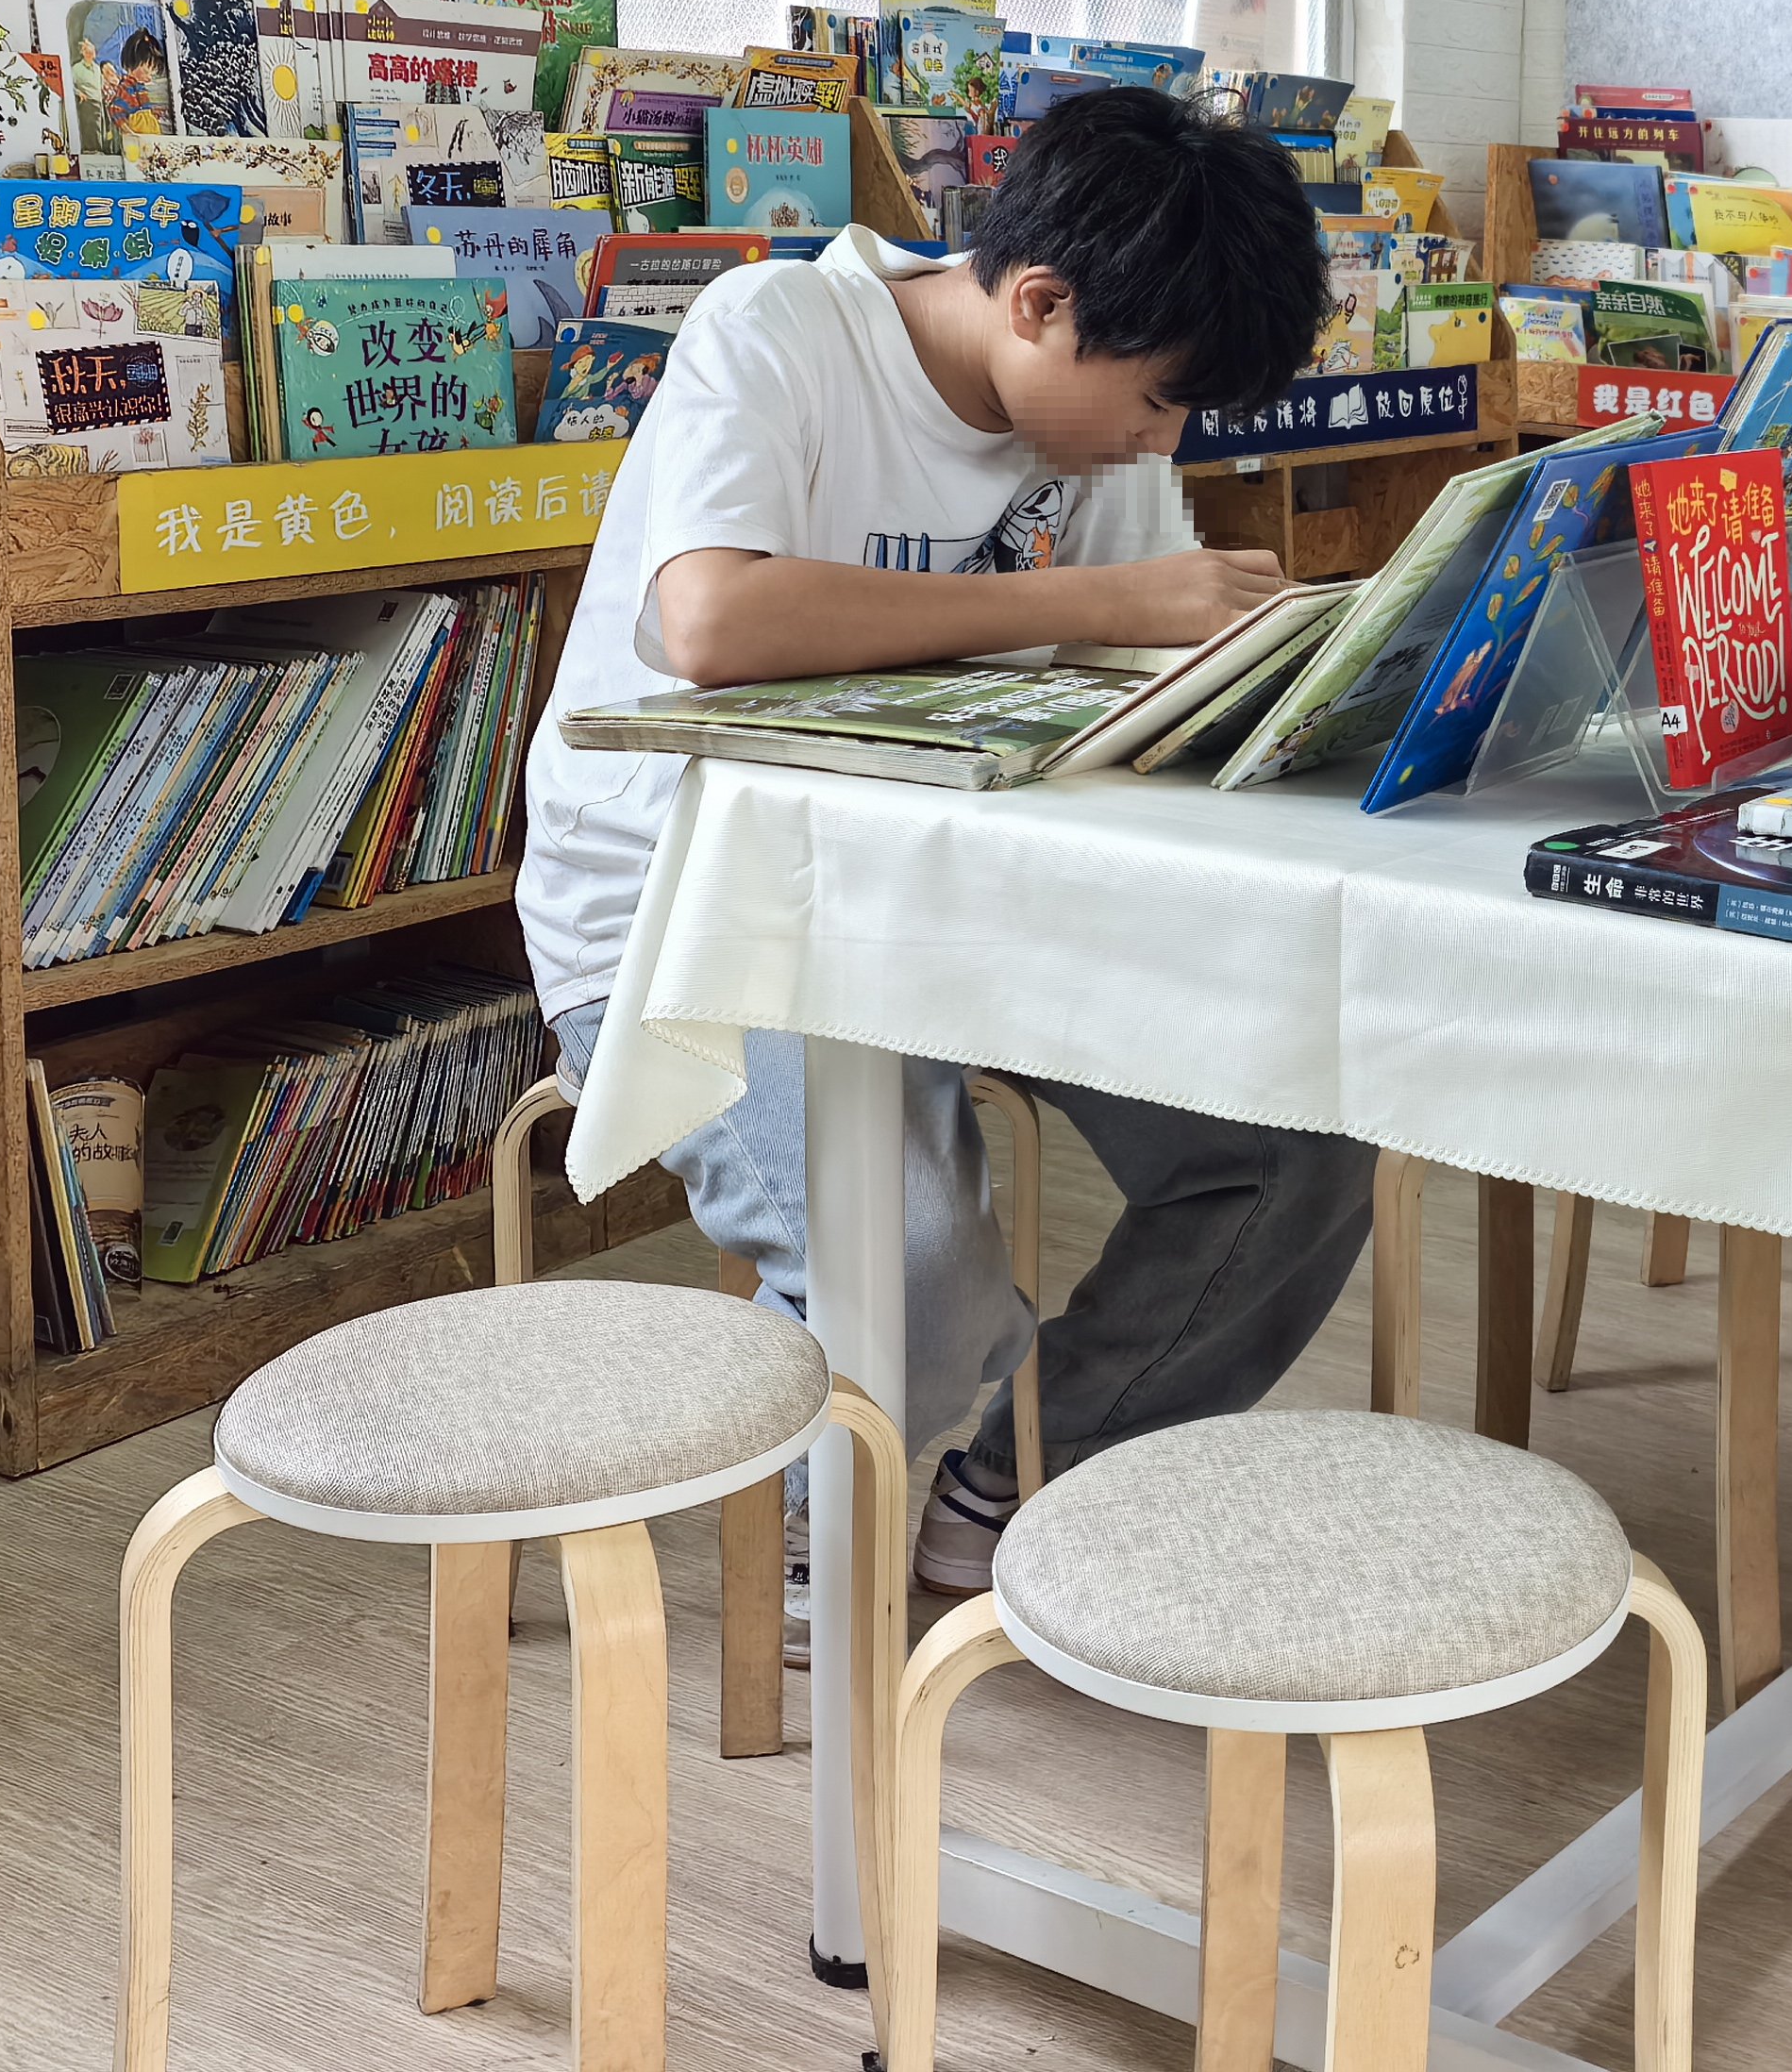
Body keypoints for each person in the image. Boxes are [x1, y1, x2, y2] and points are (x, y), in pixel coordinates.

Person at [518, 83, 1377, 1623]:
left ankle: (1016, 1490)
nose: (1161, 441)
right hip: (688, 917)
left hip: (965, 905)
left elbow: (1119, 695)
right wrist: (1096, 605)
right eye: (1156, 403)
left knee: (1292, 1153)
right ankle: (824, 1542)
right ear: (1039, 304)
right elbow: (709, 618)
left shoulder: (1095, 436)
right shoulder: (777, 329)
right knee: (910, 1269)